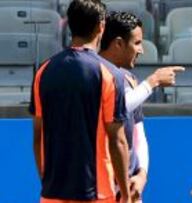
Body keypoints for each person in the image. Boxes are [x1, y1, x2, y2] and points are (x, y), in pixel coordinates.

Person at [29, 1, 131, 202]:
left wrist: (46, 180)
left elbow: (38, 135)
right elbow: (117, 140)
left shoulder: (43, 71)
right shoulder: (110, 74)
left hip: (52, 194)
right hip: (97, 193)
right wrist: (126, 195)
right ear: (101, 26)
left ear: (69, 25)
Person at [99, 11, 185, 202]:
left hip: (130, 189)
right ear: (119, 43)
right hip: (100, 189)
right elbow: (117, 107)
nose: (141, 50)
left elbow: (139, 135)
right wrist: (152, 82)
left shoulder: (130, 80)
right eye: (137, 43)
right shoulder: (96, 76)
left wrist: (142, 174)